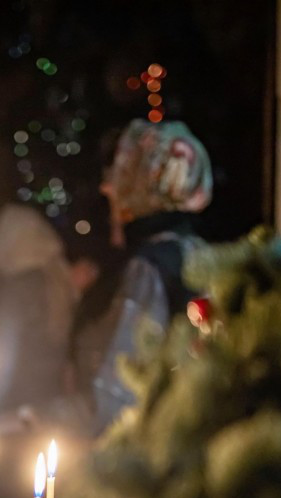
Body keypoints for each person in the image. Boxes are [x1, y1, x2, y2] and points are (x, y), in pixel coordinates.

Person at [70, 119, 213, 433]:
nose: (106, 187)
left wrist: (29, 422)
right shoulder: (197, 253)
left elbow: (114, 394)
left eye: (119, 177)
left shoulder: (149, 268)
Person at [0, 203, 80, 418]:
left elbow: (2, 362)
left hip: (17, 409)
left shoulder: (19, 291)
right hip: (52, 404)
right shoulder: (56, 278)